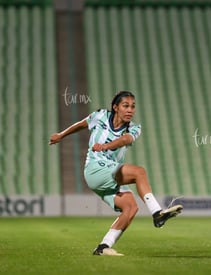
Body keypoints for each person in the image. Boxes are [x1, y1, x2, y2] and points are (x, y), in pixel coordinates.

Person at [49, 91, 183, 256]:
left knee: (131, 207)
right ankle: (157, 213)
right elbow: (82, 124)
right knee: (139, 172)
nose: (130, 110)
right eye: (125, 106)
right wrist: (61, 135)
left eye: (133, 106)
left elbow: (125, 140)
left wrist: (105, 146)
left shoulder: (134, 128)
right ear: (115, 107)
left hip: (109, 174)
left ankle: (103, 246)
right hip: (95, 168)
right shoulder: (101, 115)